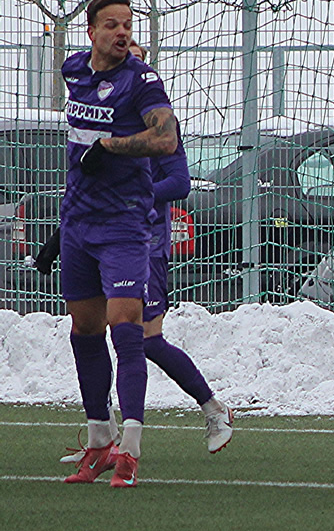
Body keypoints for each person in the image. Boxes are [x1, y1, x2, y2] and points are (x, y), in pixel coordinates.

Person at [42, 44, 233, 461]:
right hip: (100, 234)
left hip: (142, 239)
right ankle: (106, 438)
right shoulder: (97, 115)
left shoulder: (154, 124)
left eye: (132, 53)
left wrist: (137, 199)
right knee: (99, 332)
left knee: (144, 339)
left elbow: (180, 181)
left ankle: (212, 408)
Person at [57, 0, 178, 487]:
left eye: (127, 24)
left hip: (126, 224)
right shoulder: (72, 69)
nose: (122, 32)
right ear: (90, 31)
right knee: (84, 331)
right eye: (111, 25)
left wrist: (112, 146)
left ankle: (130, 447)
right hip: (77, 224)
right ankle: (99, 441)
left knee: (125, 328)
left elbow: (166, 138)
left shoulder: (143, 81)